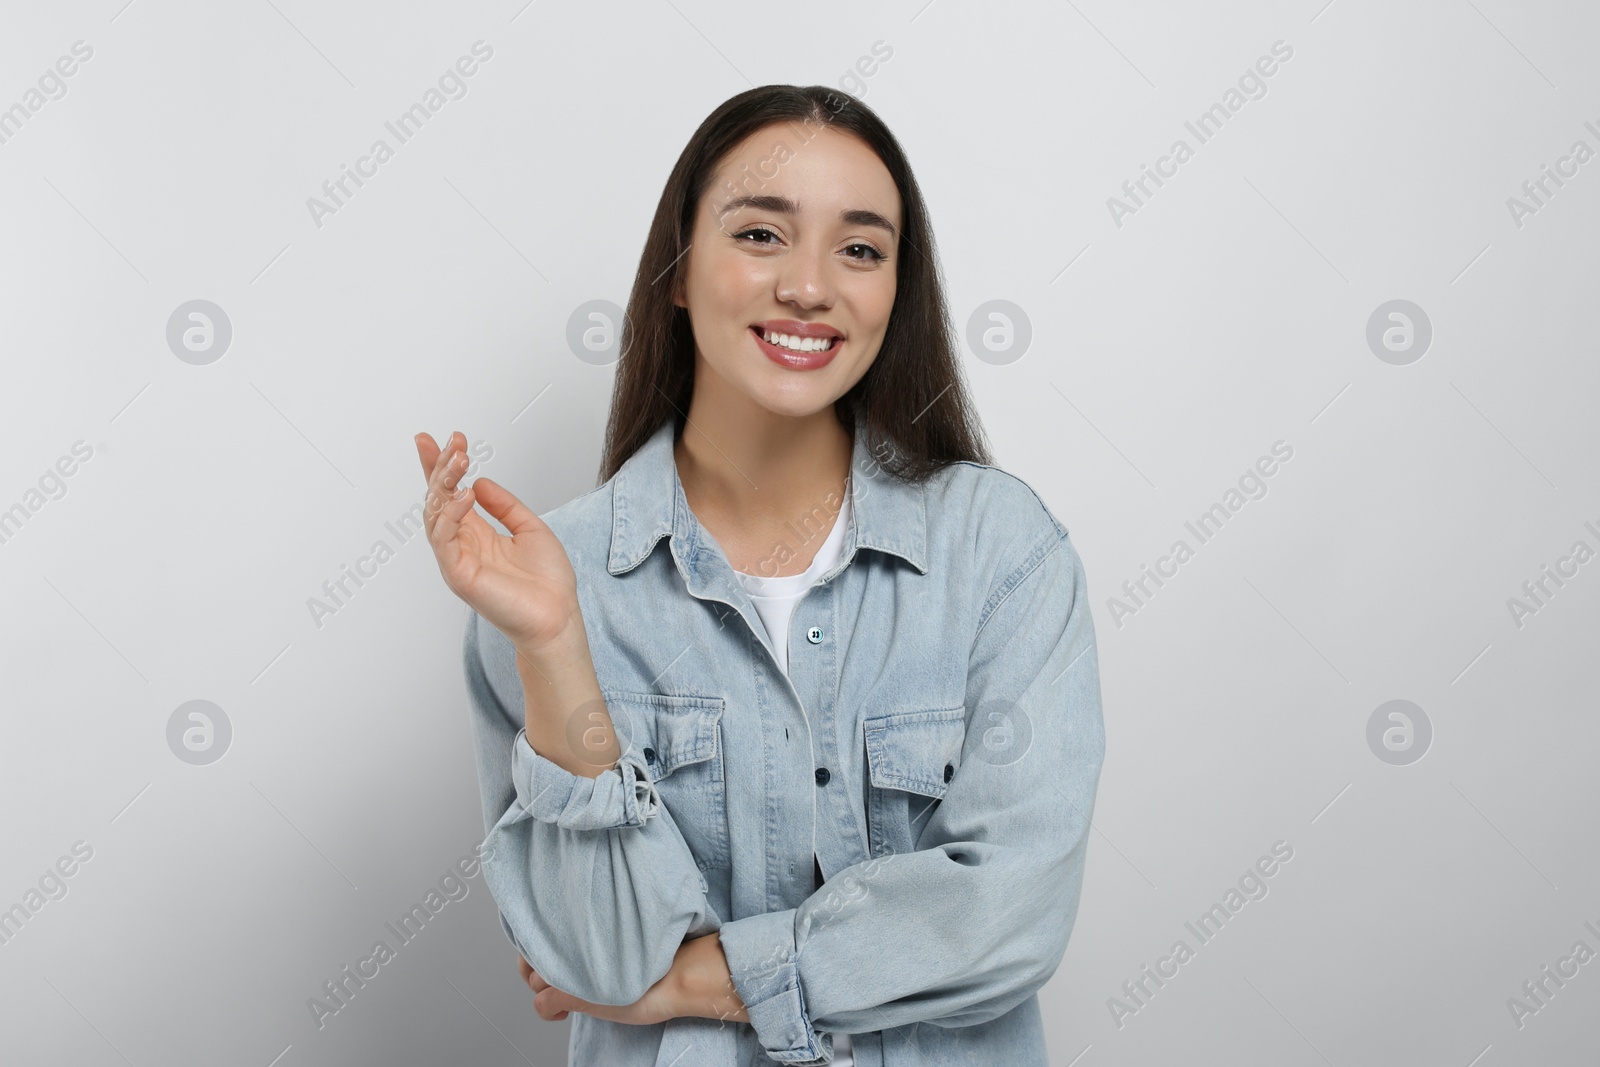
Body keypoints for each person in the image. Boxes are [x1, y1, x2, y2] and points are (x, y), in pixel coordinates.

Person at [413, 83, 1105, 1067]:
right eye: (761, 235)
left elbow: (1011, 909)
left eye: (859, 249)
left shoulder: (999, 551)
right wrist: (554, 645)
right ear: (681, 270)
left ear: (895, 292)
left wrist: (693, 981)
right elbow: (598, 954)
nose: (810, 286)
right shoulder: (544, 582)